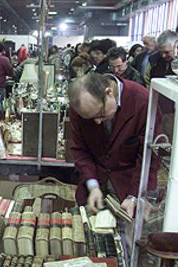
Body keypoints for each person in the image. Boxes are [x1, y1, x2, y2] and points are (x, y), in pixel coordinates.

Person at [68, 73, 160, 216]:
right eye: (90, 118)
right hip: (93, 189)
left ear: (109, 93)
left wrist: (134, 196)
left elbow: (149, 158)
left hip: (128, 189)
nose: (97, 122)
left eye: (100, 114)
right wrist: (93, 186)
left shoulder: (143, 101)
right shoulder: (80, 106)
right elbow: (80, 150)